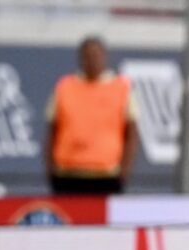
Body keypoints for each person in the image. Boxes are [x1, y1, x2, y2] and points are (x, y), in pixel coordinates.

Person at [44, 36, 138, 195]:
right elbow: (52, 132)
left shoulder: (121, 88)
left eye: (96, 55)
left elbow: (132, 135)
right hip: (67, 175)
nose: (92, 60)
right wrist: (50, 169)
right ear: (80, 58)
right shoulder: (64, 87)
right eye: (87, 56)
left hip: (107, 176)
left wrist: (124, 172)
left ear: (105, 57)